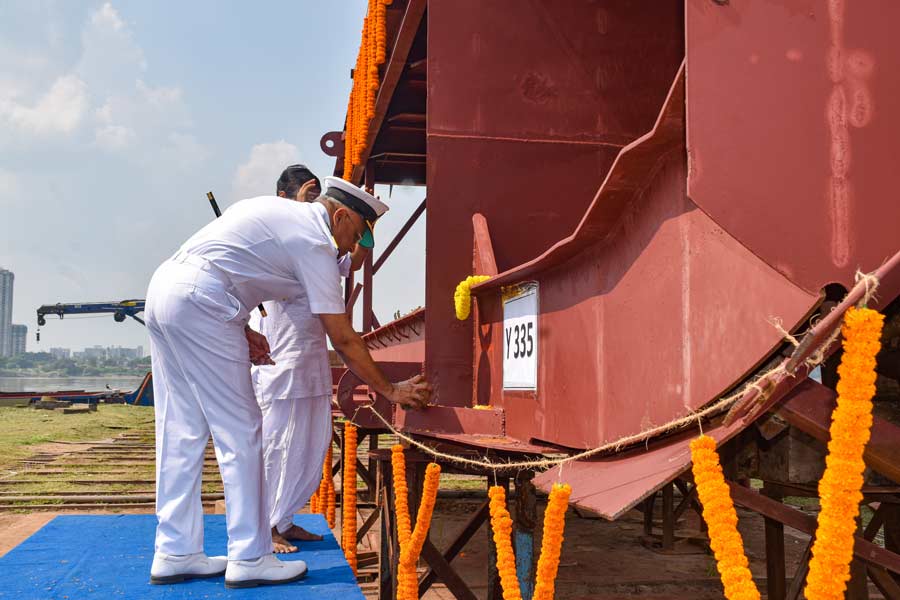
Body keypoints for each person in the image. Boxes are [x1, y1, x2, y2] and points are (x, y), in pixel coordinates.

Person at [146, 177, 431, 588]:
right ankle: (251, 556)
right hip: (203, 301)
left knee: (181, 430)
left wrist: (241, 327)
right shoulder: (315, 242)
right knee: (240, 432)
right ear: (341, 215)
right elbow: (343, 336)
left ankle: (175, 552)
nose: (353, 246)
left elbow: (225, 269)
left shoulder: (275, 212)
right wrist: (391, 390)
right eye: (357, 234)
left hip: (168, 292)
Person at [250, 165, 369, 553]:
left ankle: (283, 519)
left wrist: (365, 224)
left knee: (308, 445)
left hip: (311, 361)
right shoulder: (284, 243)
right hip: (281, 361)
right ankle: (264, 527)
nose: (313, 201)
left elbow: (356, 259)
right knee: (277, 446)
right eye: (308, 193)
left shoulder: (321, 247)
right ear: (284, 200)